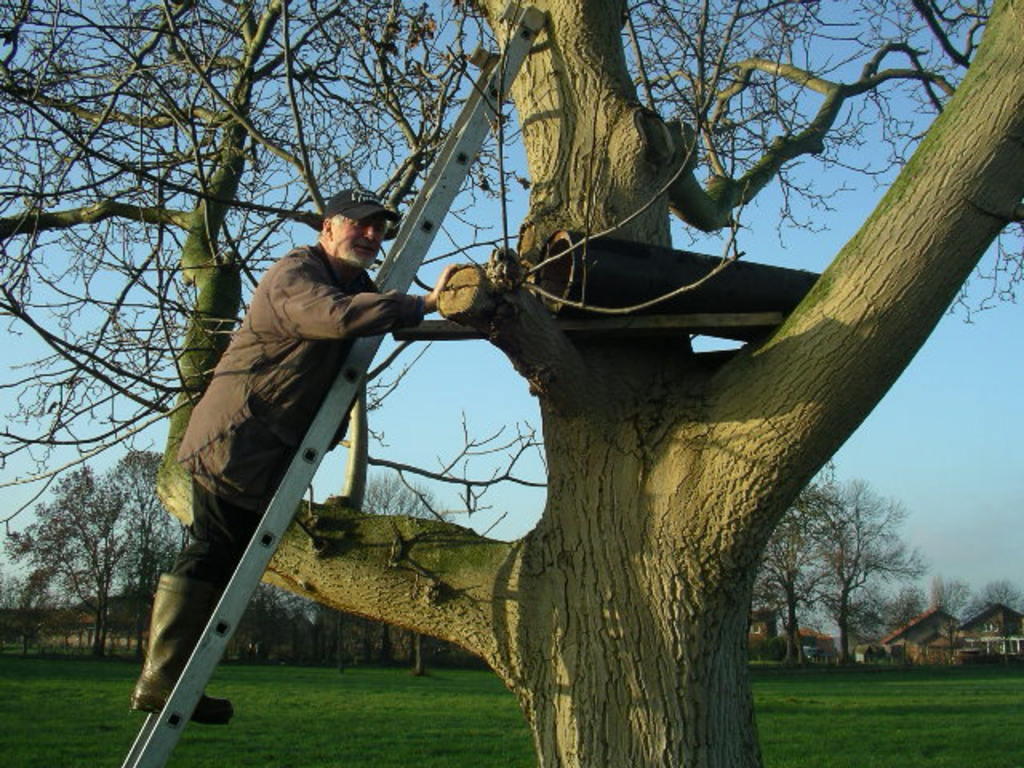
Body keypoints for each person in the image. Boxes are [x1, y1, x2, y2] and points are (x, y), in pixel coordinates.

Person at [131, 188, 454, 724]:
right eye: (361, 225)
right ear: (328, 227)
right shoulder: (296, 274)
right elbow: (333, 318)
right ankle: (160, 678)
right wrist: (421, 302)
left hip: (269, 447)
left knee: (229, 562)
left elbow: (379, 319)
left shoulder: (356, 286)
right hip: (236, 442)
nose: (372, 236)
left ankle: (179, 681)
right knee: (212, 552)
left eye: (379, 229)